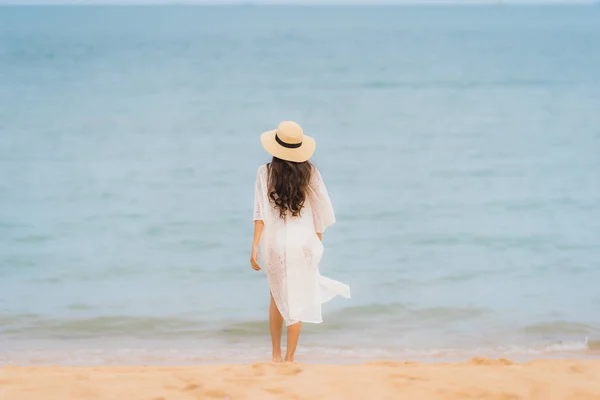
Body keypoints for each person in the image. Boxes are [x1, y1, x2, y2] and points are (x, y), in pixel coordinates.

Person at [251, 121, 351, 363]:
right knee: (298, 297)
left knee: (276, 296)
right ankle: (290, 359)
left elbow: (260, 213)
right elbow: (321, 210)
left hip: (275, 244)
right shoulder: (310, 173)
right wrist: (317, 242)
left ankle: (275, 356)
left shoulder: (264, 172)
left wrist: (254, 246)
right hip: (304, 243)